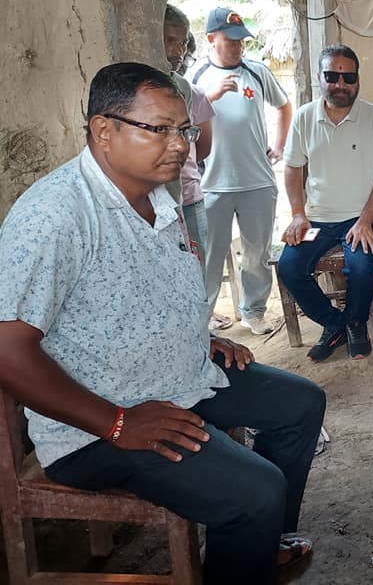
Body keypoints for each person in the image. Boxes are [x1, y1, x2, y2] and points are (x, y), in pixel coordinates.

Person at [0, 62, 326, 584]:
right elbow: (7, 349)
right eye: (159, 129)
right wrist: (117, 423)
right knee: (254, 490)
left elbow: (136, 295)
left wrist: (200, 336)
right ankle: (252, 532)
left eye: (185, 130)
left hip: (179, 380)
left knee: (301, 404)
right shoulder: (55, 216)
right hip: (100, 424)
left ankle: (260, 545)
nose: (180, 145)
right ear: (103, 130)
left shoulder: (154, 196)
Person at [277, 45, 373, 362]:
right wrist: (298, 215)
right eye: (332, 76)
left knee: (360, 266)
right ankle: (336, 324)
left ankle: (356, 324)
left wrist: (365, 221)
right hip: (316, 218)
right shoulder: (304, 117)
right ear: (320, 77)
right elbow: (292, 169)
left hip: (364, 216)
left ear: (358, 80)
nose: (340, 84)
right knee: (289, 267)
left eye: (348, 77)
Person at [188, 7, 293, 335]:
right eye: (230, 40)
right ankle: (203, 318)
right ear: (211, 38)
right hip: (212, 183)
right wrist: (210, 97)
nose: (238, 46)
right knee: (209, 255)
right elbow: (182, 117)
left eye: (241, 40)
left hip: (257, 180)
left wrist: (279, 146)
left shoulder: (257, 72)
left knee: (256, 253)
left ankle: (254, 311)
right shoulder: (196, 76)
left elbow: (284, 106)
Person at [163, 5, 216, 274]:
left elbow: (202, 146)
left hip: (189, 194)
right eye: (170, 40)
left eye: (183, 43)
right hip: (158, 200)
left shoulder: (183, 87)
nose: (179, 50)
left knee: (197, 271)